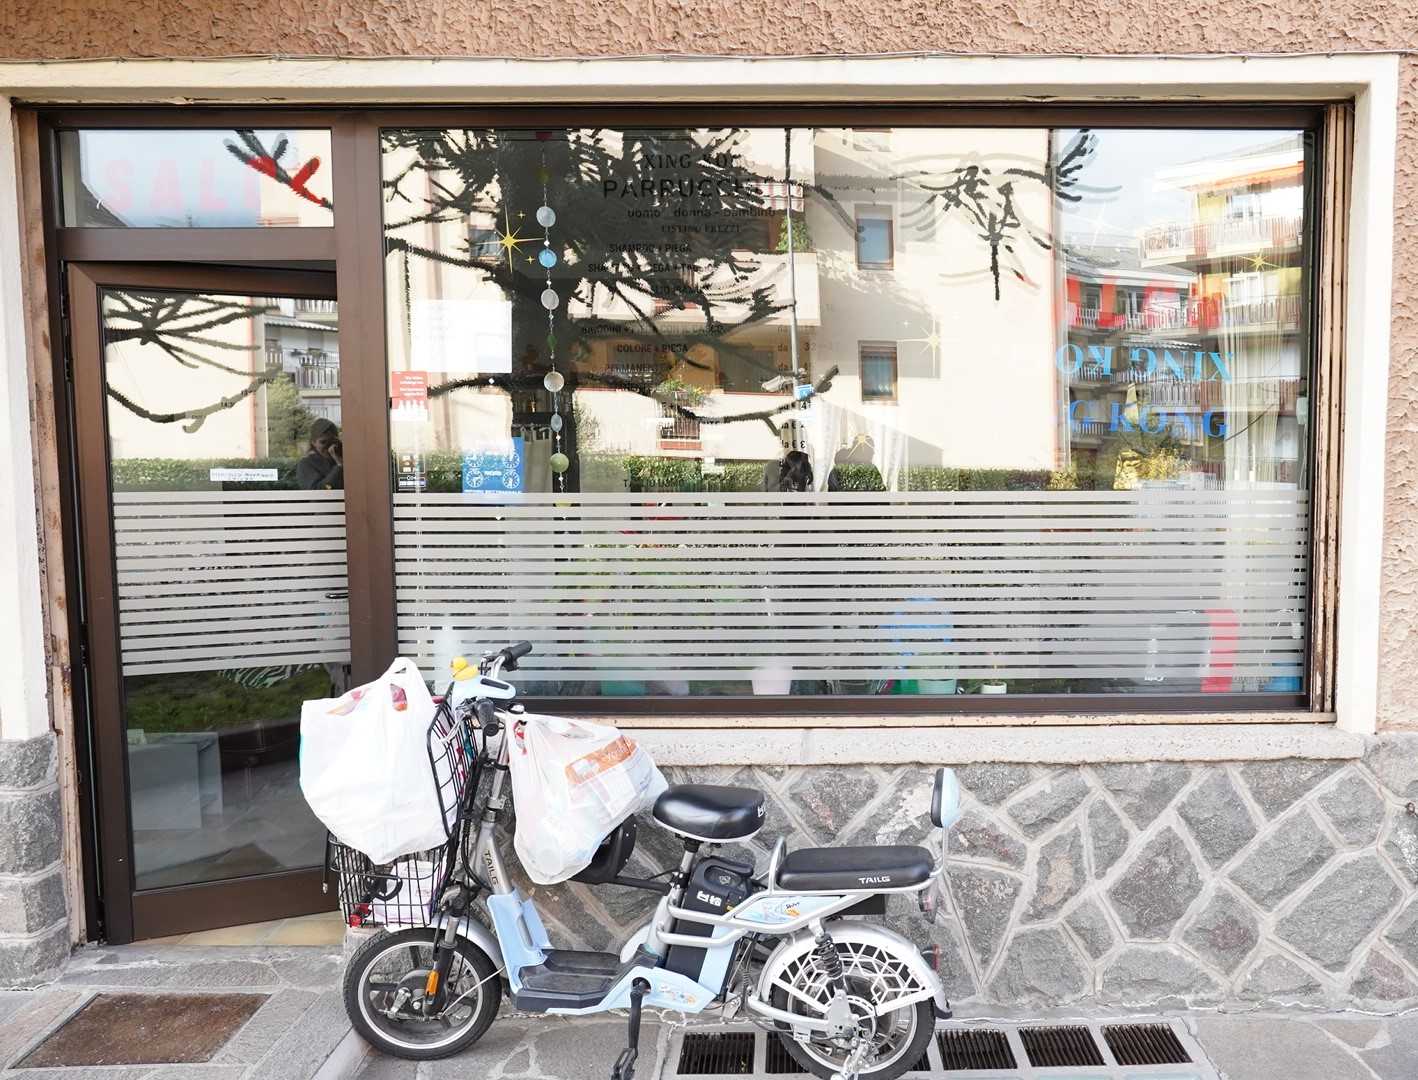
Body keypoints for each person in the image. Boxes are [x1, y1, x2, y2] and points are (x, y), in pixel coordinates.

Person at [297, 417, 344, 490]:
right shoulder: (306, 464)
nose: (329, 446)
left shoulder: (345, 458)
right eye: (323, 442)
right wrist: (339, 466)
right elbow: (318, 490)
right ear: (313, 443)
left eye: (332, 441)